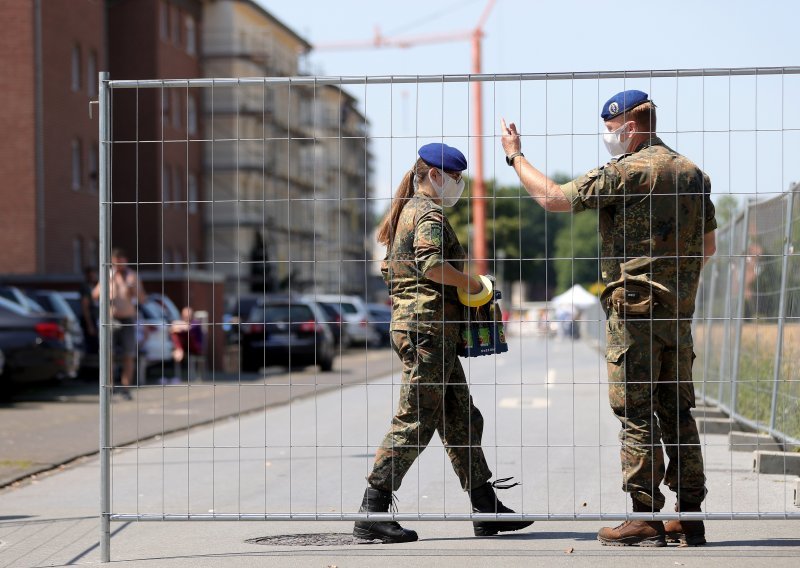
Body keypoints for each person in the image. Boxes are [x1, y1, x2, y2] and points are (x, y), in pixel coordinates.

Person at [500, 90, 717, 547]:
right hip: (677, 315)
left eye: (611, 128)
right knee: (678, 411)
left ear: (631, 128)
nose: (609, 137)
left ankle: (644, 517)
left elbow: (555, 199)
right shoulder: (695, 174)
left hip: (634, 315)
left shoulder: (626, 172)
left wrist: (515, 157)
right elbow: (709, 247)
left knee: (636, 413)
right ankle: (690, 515)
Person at [353, 142, 532, 544]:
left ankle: (487, 509)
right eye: (454, 177)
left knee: (462, 418)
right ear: (433, 175)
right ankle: (373, 509)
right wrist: (473, 284)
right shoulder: (428, 212)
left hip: (427, 328)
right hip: (427, 329)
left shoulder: (408, 211)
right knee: (417, 418)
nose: (458, 184)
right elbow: (432, 265)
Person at [93, 248, 146, 400]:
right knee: (108, 354)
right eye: (117, 265)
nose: (119, 268)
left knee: (128, 355)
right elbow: (95, 296)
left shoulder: (132, 276)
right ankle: (109, 387)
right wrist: (108, 282)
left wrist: (132, 288)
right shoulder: (107, 275)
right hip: (111, 319)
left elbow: (142, 299)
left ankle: (126, 388)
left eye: (122, 265)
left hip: (127, 318)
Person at [170, 306, 204, 381]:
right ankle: (179, 349)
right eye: (184, 315)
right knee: (175, 334)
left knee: (184, 333)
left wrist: (177, 326)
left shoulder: (196, 323)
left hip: (195, 348)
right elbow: (173, 328)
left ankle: (179, 349)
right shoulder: (183, 323)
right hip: (185, 347)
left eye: (188, 315)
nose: (186, 317)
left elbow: (188, 329)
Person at [79, 266, 99, 363]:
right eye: (90, 274)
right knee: (92, 346)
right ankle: (91, 370)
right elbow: (85, 306)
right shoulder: (85, 287)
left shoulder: (95, 286)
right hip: (90, 320)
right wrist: (90, 325)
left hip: (96, 319)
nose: (92, 276)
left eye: (94, 274)